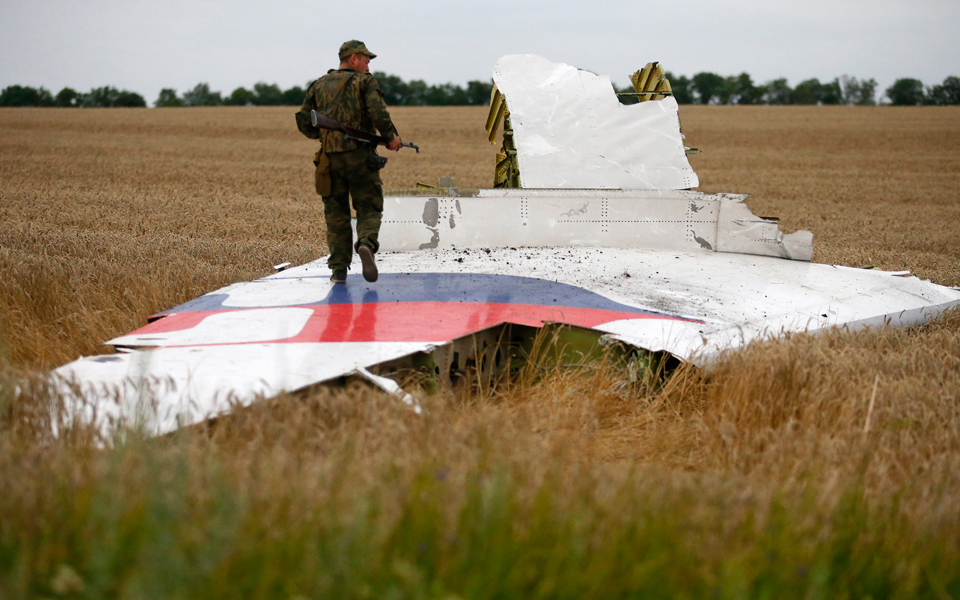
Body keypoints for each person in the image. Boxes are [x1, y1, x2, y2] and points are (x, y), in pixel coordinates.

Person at [296, 40, 402, 283]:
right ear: (353, 59)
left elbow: (303, 120)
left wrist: (323, 136)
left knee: (336, 216)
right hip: (360, 158)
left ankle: (338, 271)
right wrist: (391, 138)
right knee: (369, 207)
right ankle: (365, 244)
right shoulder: (365, 82)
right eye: (365, 61)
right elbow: (378, 112)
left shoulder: (318, 84)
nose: (367, 66)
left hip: (328, 161)